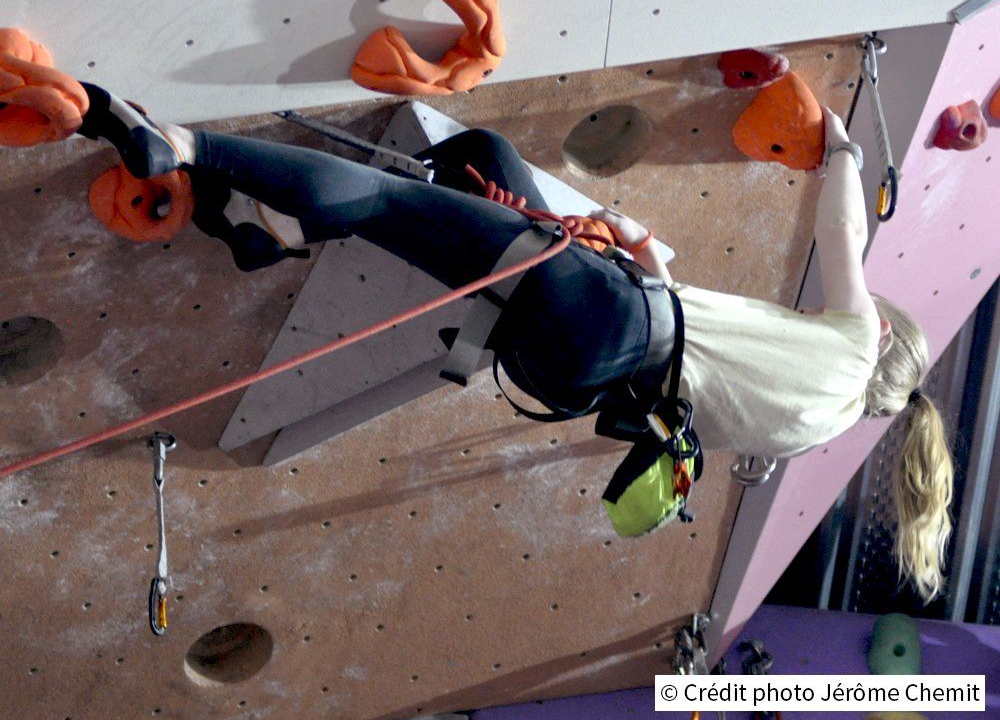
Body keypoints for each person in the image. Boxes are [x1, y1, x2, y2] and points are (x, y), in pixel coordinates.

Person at [74, 84, 953, 602]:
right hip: (568, 376)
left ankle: (183, 145)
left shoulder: (853, 342)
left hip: (617, 317)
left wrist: (843, 155)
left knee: (392, 208)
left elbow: (844, 238)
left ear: (883, 343)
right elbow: (700, 378)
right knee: (477, 158)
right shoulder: (812, 432)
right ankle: (274, 236)